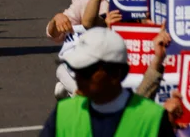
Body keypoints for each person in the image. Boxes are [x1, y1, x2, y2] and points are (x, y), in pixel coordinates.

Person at [39, 28, 174, 137]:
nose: (78, 77)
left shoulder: (153, 118)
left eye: (87, 71)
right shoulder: (63, 113)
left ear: (116, 73)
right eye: (76, 69)